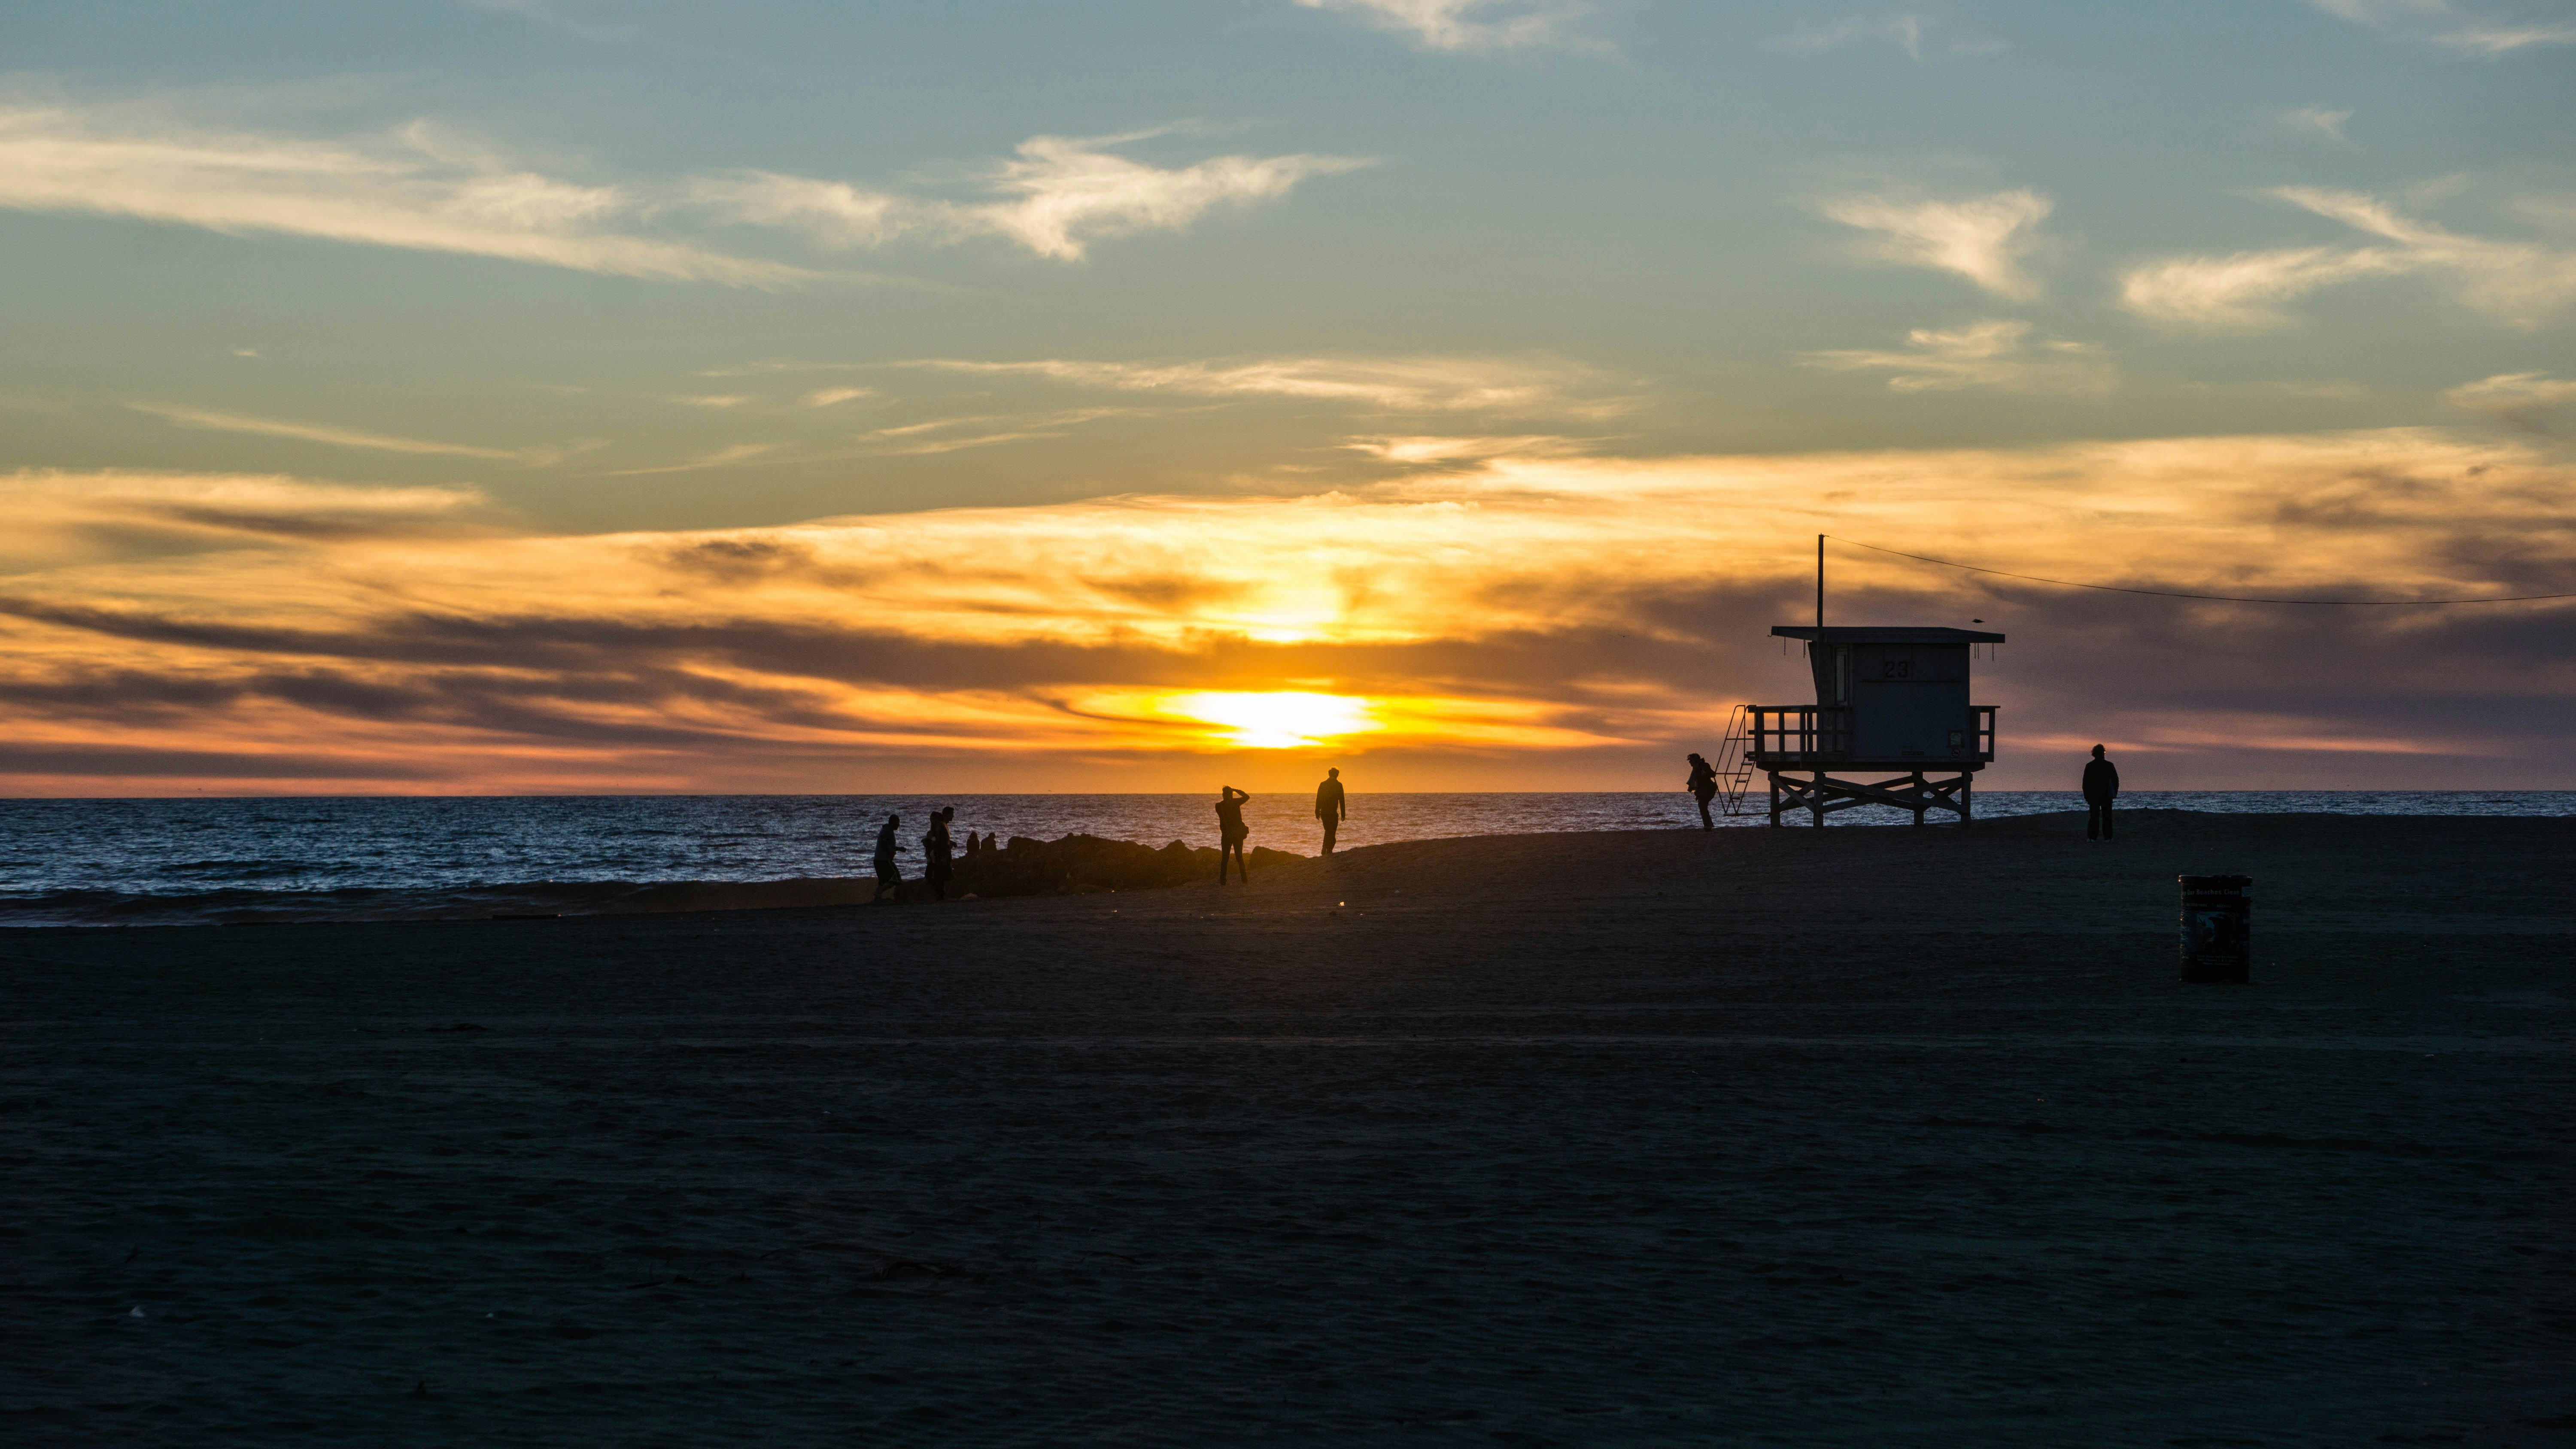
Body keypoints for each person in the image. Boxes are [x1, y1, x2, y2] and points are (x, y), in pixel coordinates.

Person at [2083, 744, 2120, 841]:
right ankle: (2108, 838)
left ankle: (2092, 837)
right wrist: (2114, 794)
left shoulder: (2090, 766)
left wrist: (2087, 796)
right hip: (2106, 795)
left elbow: (2085, 783)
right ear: (2103, 753)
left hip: (2094, 796)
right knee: (2107, 817)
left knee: (2094, 817)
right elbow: (2116, 781)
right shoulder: (2109, 765)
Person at [1215, 786, 1251, 884]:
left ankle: (1223, 881)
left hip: (1227, 835)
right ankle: (1244, 879)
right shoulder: (1236, 803)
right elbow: (1247, 797)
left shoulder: (1219, 806)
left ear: (1224, 795)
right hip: (1237, 835)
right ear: (1231, 795)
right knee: (1239, 858)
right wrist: (1236, 790)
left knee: (1225, 859)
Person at [923, 806, 955, 902]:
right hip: (942, 855)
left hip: (944, 854)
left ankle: (941, 896)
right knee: (943, 877)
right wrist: (943, 857)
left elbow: (943, 841)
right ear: (947, 814)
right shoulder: (941, 826)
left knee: (944, 877)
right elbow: (940, 842)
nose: (953, 817)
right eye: (952, 815)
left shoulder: (943, 825)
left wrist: (951, 843)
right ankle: (941, 896)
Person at [1314, 767, 1347, 855]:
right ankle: (1328, 849)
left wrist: (1317, 811)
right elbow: (1342, 800)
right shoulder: (1339, 785)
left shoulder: (1323, 784)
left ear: (1329, 774)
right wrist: (1343, 814)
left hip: (1324, 813)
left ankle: (1326, 848)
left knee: (1328, 831)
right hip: (1333, 813)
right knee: (1331, 832)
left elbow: (1319, 799)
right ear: (1337, 775)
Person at [872, 813, 903, 902]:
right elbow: (884, 842)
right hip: (884, 860)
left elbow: (887, 844)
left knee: (883, 881)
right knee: (896, 878)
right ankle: (878, 892)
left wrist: (899, 849)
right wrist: (891, 851)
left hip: (879, 860)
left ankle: (877, 899)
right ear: (893, 822)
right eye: (898, 822)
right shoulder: (888, 830)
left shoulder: (888, 830)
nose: (899, 825)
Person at [1685, 752, 1719, 831]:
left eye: (1691, 761)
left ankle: (1708, 825)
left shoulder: (1704, 766)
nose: (1690, 763)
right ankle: (1708, 825)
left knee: (1703, 807)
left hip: (1708, 790)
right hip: (1702, 791)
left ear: (1695, 761)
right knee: (1703, 808)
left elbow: (1713, 774)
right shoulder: (1696, 769)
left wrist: (1706, 772)